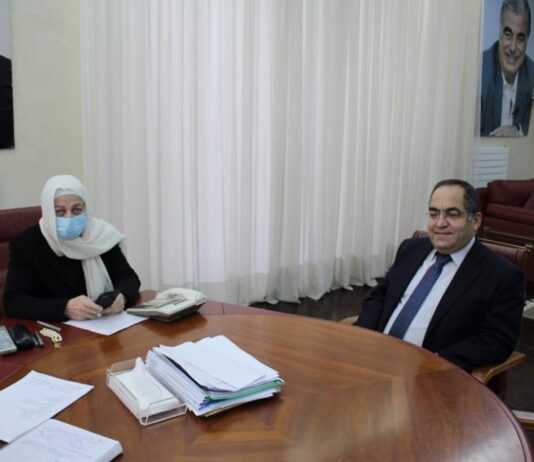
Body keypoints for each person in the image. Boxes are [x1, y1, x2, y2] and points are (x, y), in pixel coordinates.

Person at [356, 179, 524, 371]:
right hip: (373, 358)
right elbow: (379, 296)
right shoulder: (411, 249)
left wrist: (436, 362)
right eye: (434, 213)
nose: (440, 223)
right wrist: (365, 340)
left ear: (475, 221)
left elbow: (497, 340)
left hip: (428, 373)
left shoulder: (502, 275)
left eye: (452, 214)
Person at [3, 174, 141, 321]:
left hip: (103, 324)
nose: (69, 217)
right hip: (55, 329)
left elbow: (127, 277)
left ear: (86, 208)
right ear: (48, 212)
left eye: (77, 210)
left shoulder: (100, 235)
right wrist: (64, 308)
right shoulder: (26, 243)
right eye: (59, 211)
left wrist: (122, 297)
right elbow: (14, 301)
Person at [481, 0, 534, 136]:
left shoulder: (532, 76)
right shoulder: (479, 71)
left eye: (520, 39)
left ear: (527, 40)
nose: (513, 47)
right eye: (508, 35)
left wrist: (519, 131)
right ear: (499, 32)